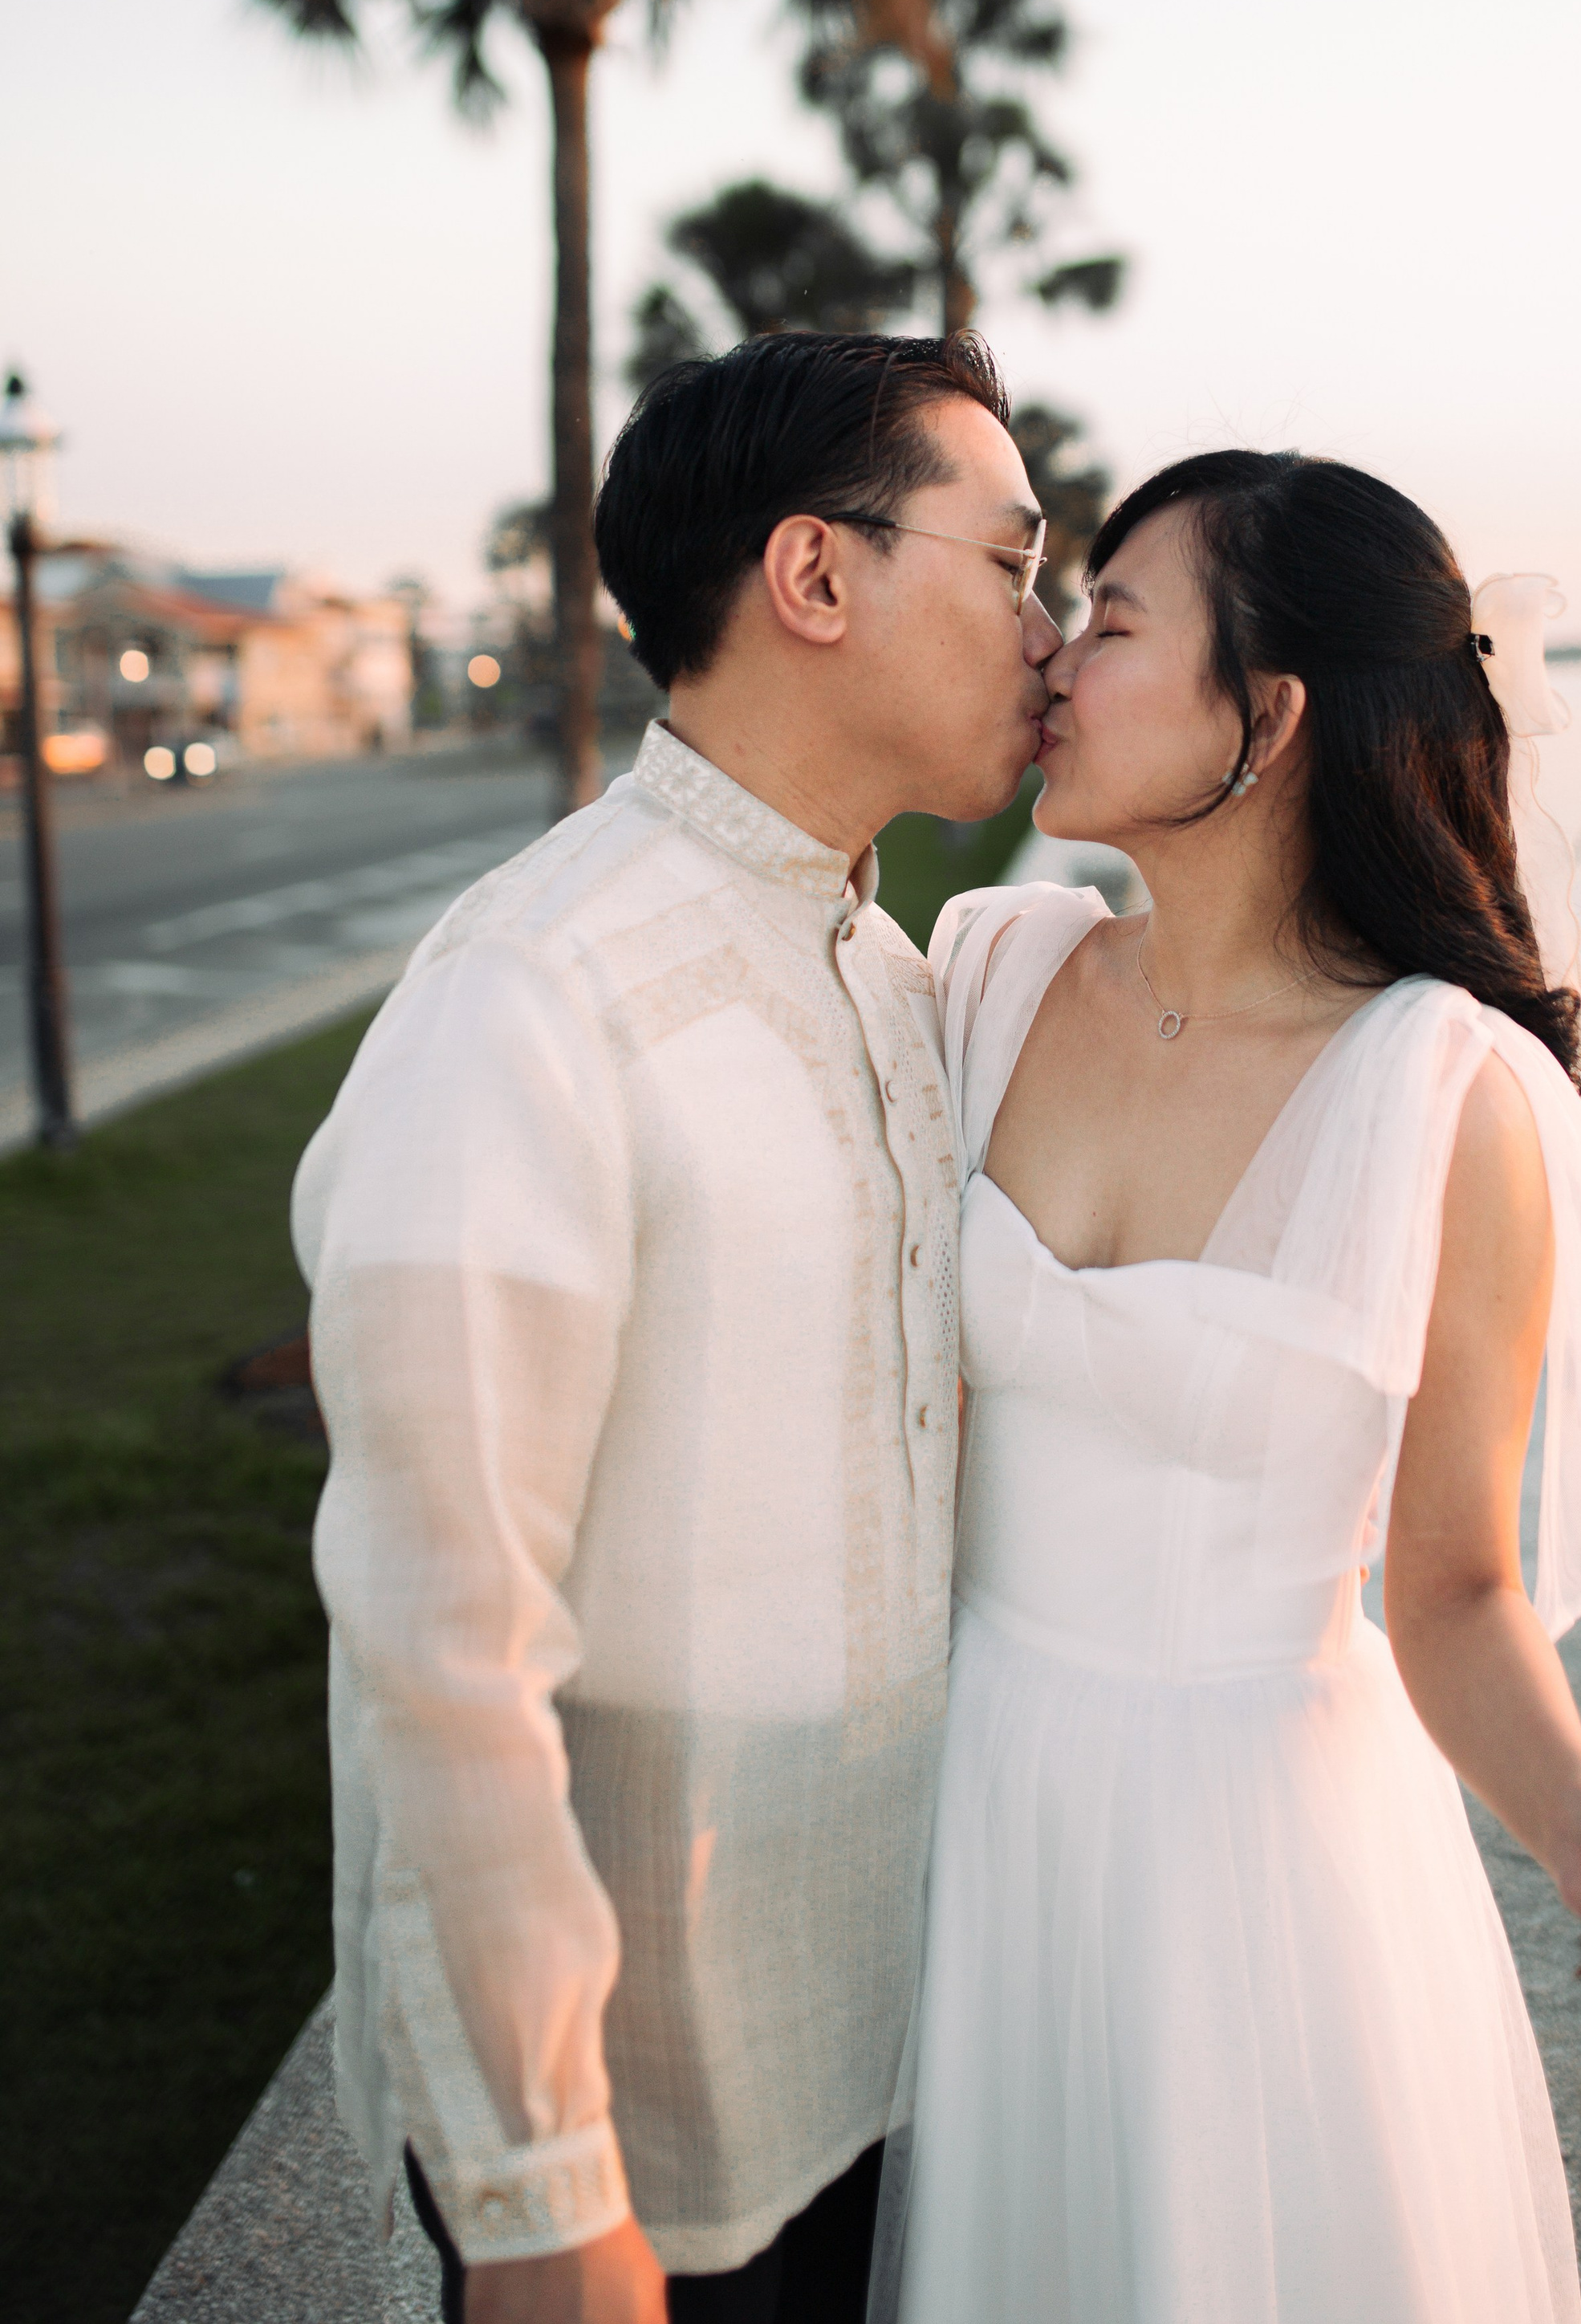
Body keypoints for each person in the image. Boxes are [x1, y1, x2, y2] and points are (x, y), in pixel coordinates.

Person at [874, 451, 1581, 2324]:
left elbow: (1450, 1582)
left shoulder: (1441, 1099)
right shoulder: (984, 970)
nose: (1055, 655)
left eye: (1113, 621)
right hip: (964, 1828)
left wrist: (1576, 1817)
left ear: (1268, 716)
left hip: (1256, 1877)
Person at [293, 330, 1058, 2324]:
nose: (1046, 633)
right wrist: (542, 2193)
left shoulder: (892, 973)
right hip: (653, 2146)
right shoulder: (534, 1008)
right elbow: (436, 1650)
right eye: (1009, 563)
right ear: (816, 578)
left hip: (902, 2060)